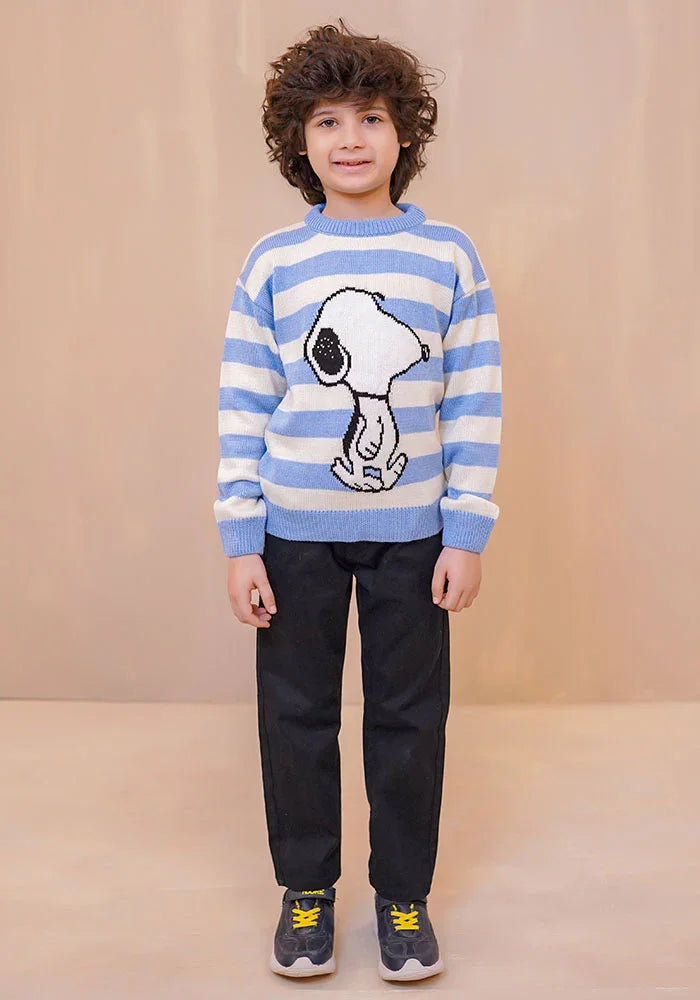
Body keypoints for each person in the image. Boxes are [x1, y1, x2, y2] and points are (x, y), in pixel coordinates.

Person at [213, 18, 502, 982]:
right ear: (298, 139)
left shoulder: (449, 257)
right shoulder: (272, 264)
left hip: (416, 534)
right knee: (295, 717)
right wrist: (241, 538)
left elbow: (474, 397)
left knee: (408, 720)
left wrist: (466, 529)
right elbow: (244, 403)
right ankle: (306, 892)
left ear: (403, 132)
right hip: (291, 533)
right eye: (328, 120)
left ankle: (403, 897)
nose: (350, 139)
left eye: (371, 117)